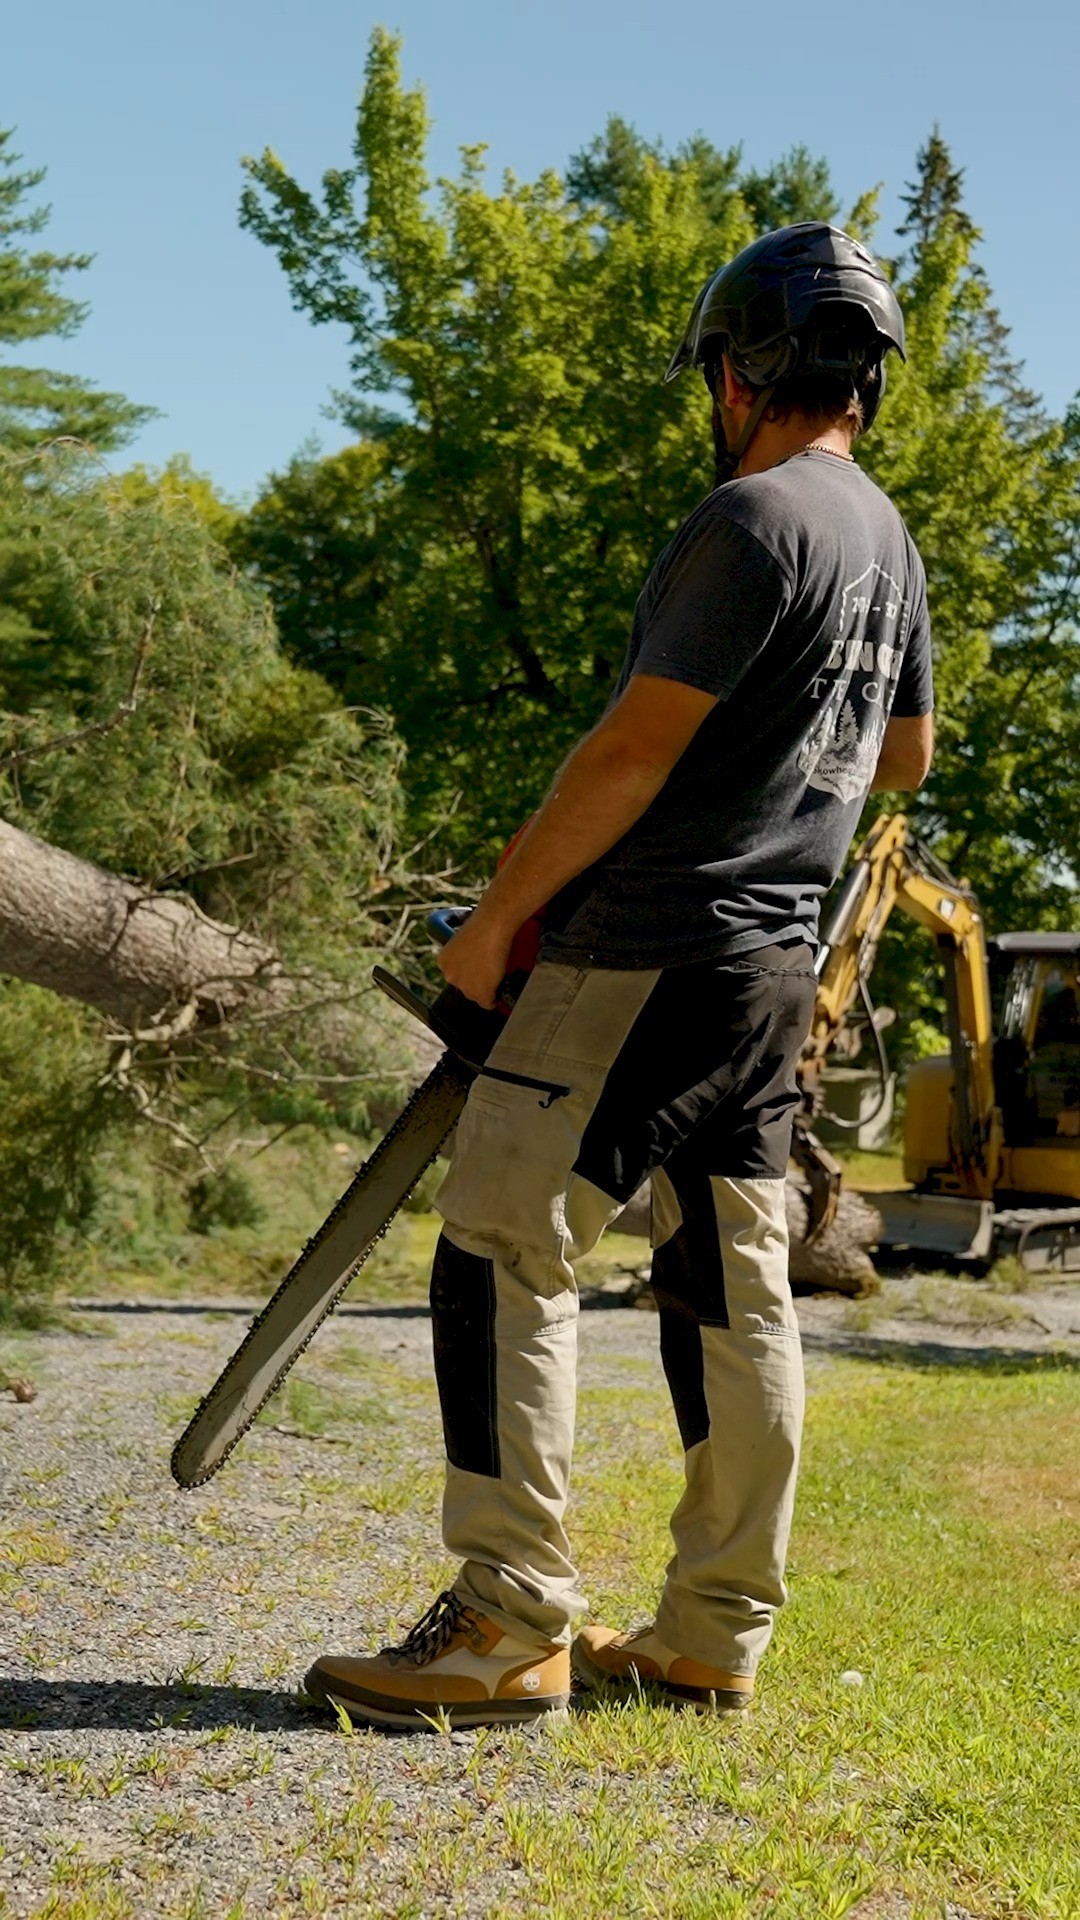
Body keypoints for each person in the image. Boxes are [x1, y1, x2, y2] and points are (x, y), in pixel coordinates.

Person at [305, 223, 935, 1731]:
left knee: (506, 1235)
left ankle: (505, 1625)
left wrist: (497, 914)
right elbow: (904, 757)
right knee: (737, 1284)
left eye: (720, 368)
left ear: (744, 365)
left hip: (645, 955)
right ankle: (716, 1629)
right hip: (772, 973)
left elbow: (631, 752)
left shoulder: (751, 521)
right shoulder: (887, 541)